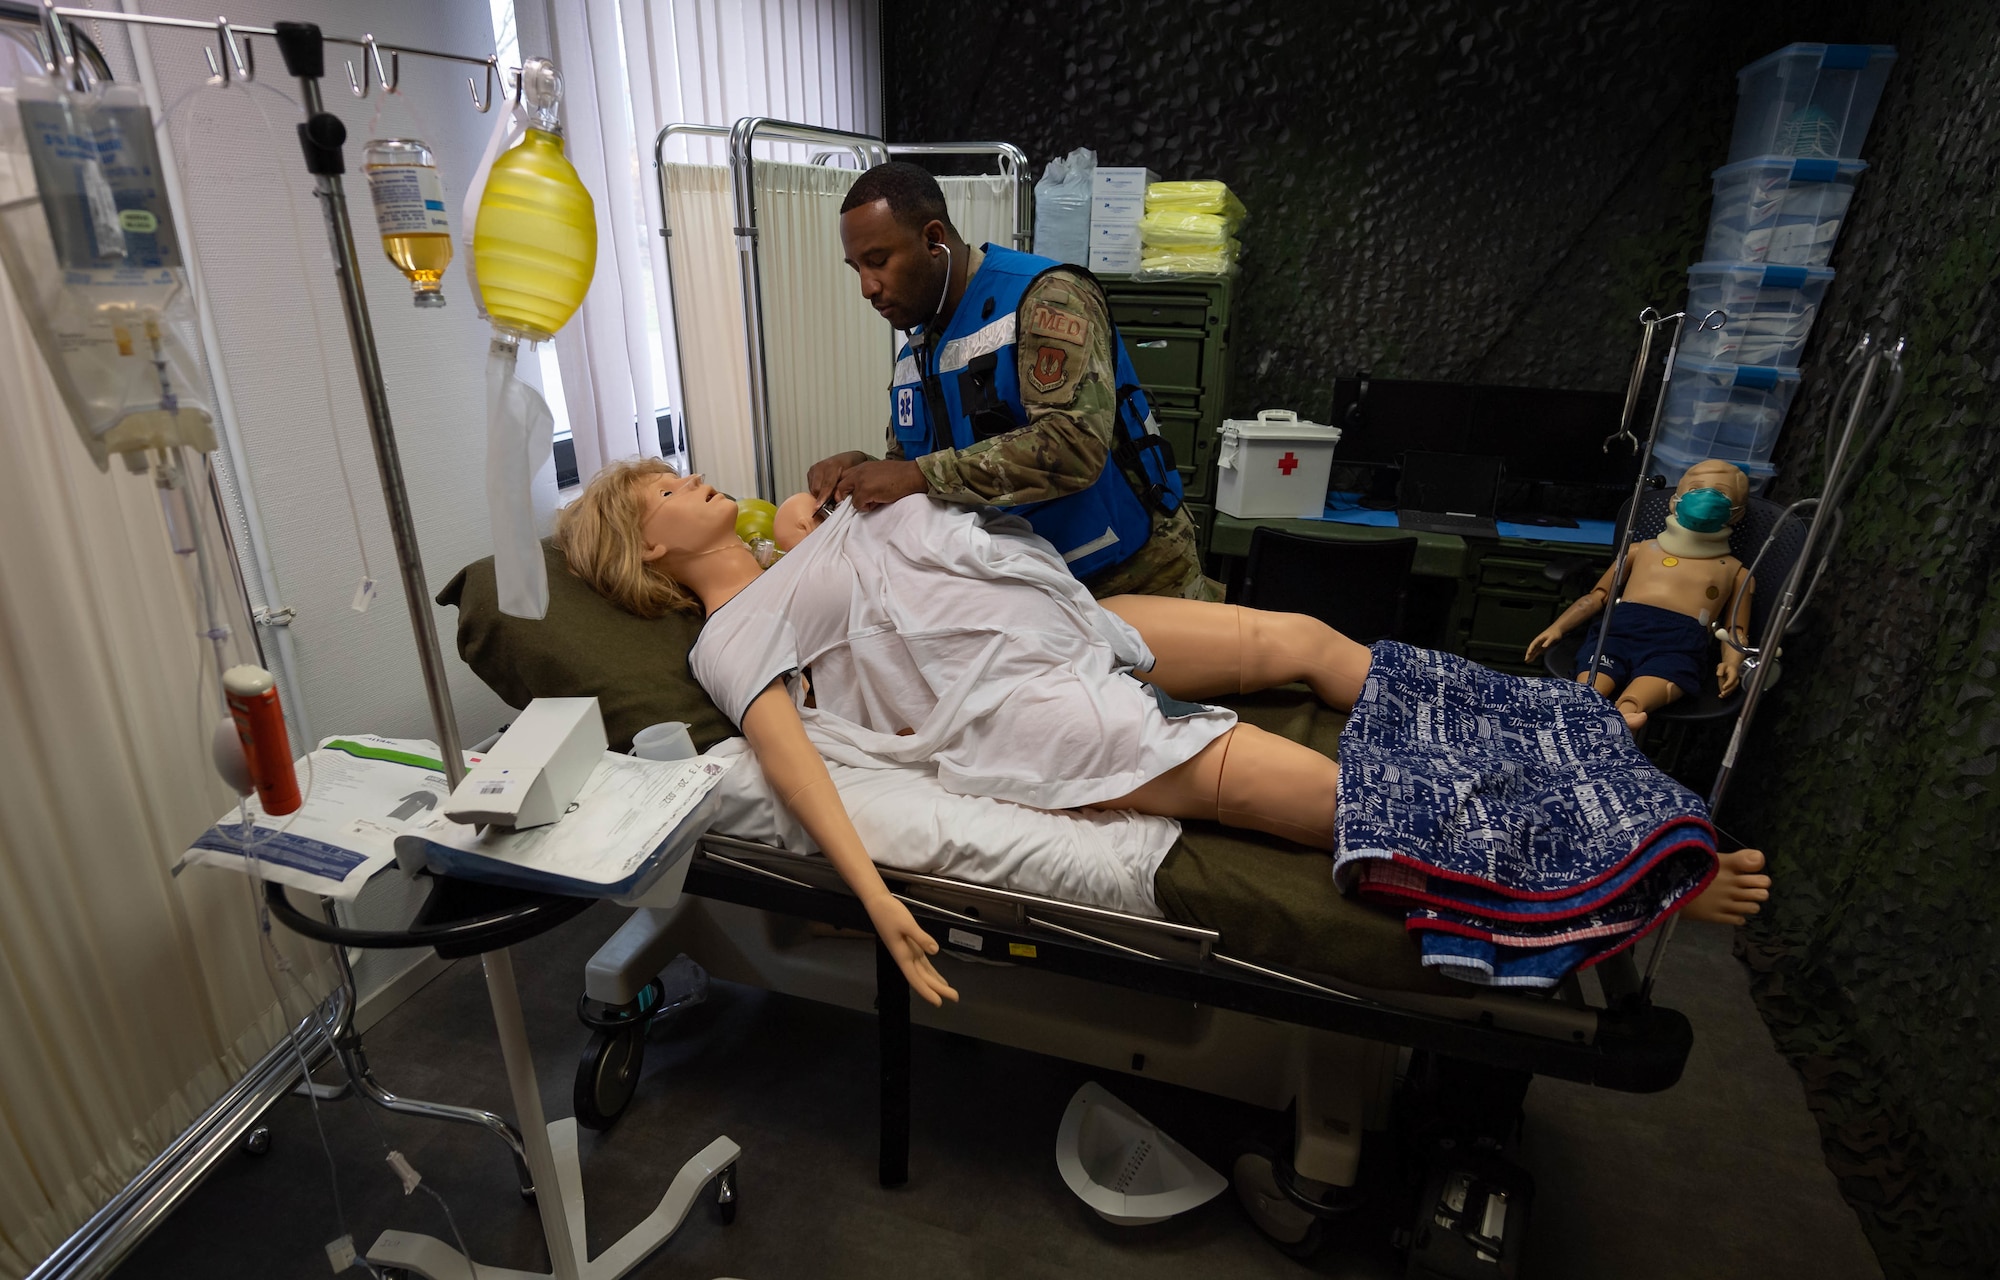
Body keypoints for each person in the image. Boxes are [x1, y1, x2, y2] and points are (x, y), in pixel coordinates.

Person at [556, 459, 1771, 1004]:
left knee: (1297, 637)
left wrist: (836, 510)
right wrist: (873, 895)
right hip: (1015, 706)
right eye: (659, 485)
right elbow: (792, 761)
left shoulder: (795, 531)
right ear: (646, 543)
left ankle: (1558, 729)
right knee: (1322, 791)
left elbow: (904, 540)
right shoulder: (729, 633)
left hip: (1042, 621)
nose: (686, 473)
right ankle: (1645, 873)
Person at [806, 162, 1219, 601]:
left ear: (933, 240)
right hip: (1026, 590)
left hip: (1130, 574)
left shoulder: (1046, 298)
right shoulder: (917, 355)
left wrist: (915, 475)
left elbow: (1073, 447)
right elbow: (920, 474)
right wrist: (863, 468)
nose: (867, 287)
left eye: (878, 261)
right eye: (856, 268)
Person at [1524, 459, 1756, 732]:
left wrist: (1732, 661)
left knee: (1632, 706)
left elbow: (1736, 628)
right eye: (1696, 488)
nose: (1706, 497)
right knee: (1587, 697)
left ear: (1736, 512)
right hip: (1619, 631)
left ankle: (1616, 739)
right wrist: (1558, 628)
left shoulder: (1736, 572)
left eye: (1722, 493)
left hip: (1677, 646)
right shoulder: (1639, 551)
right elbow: (1598, 596)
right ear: (1674, 501)